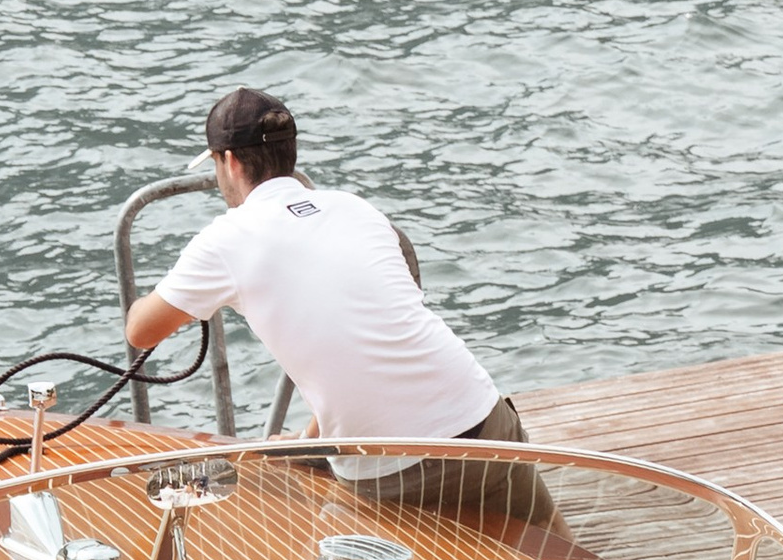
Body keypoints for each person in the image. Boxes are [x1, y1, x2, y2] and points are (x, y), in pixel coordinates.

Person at [125, 86, 535, 467]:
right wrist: (307, 439)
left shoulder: (225, 240)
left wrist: (178, 285)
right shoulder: (355, 208)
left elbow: (141, 332)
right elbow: (368, 340)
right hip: (490, 423)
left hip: (397, 465)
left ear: (229, 162)